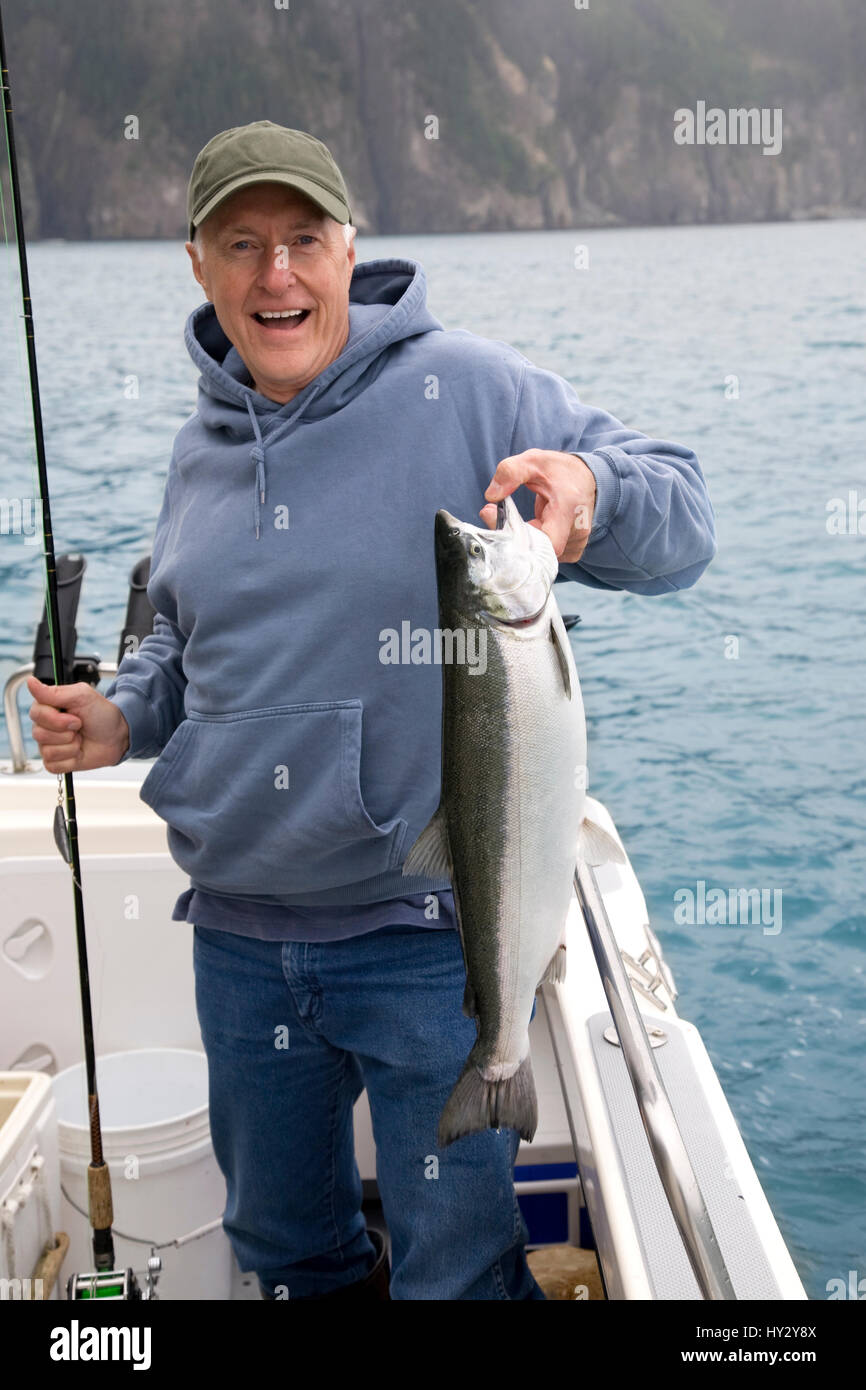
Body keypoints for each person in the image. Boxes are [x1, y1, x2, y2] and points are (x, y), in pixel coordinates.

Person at [27, 121, 716, 1301]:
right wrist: (119, 718)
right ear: (197, 264)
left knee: (454, 1272)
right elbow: (186, 645)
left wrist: (591, 495)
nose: (275, 274)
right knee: (287, 1254)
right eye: (241, 244)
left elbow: (683, 524)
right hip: (241, 942)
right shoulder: (202, 444)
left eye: (303, 238)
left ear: (351, 249)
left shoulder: (470, 390)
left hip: (421, 943)